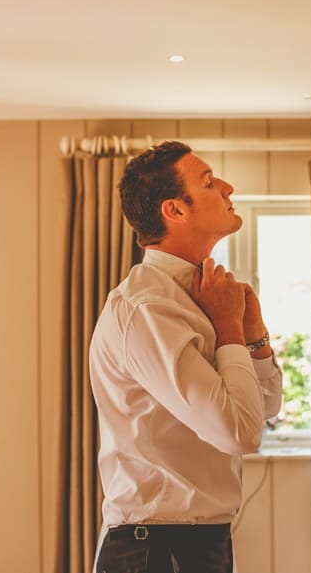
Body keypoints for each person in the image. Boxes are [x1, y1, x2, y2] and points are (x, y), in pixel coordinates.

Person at [89, 141, 283, 573]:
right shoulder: (146, 309)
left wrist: (251, 334)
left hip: (198, 542)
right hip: (154, 549)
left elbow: (265, 408)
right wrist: (228, 327)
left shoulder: (206, 296)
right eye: (209, 183)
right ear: (174, 210)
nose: (228, 188)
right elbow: (240, 433)